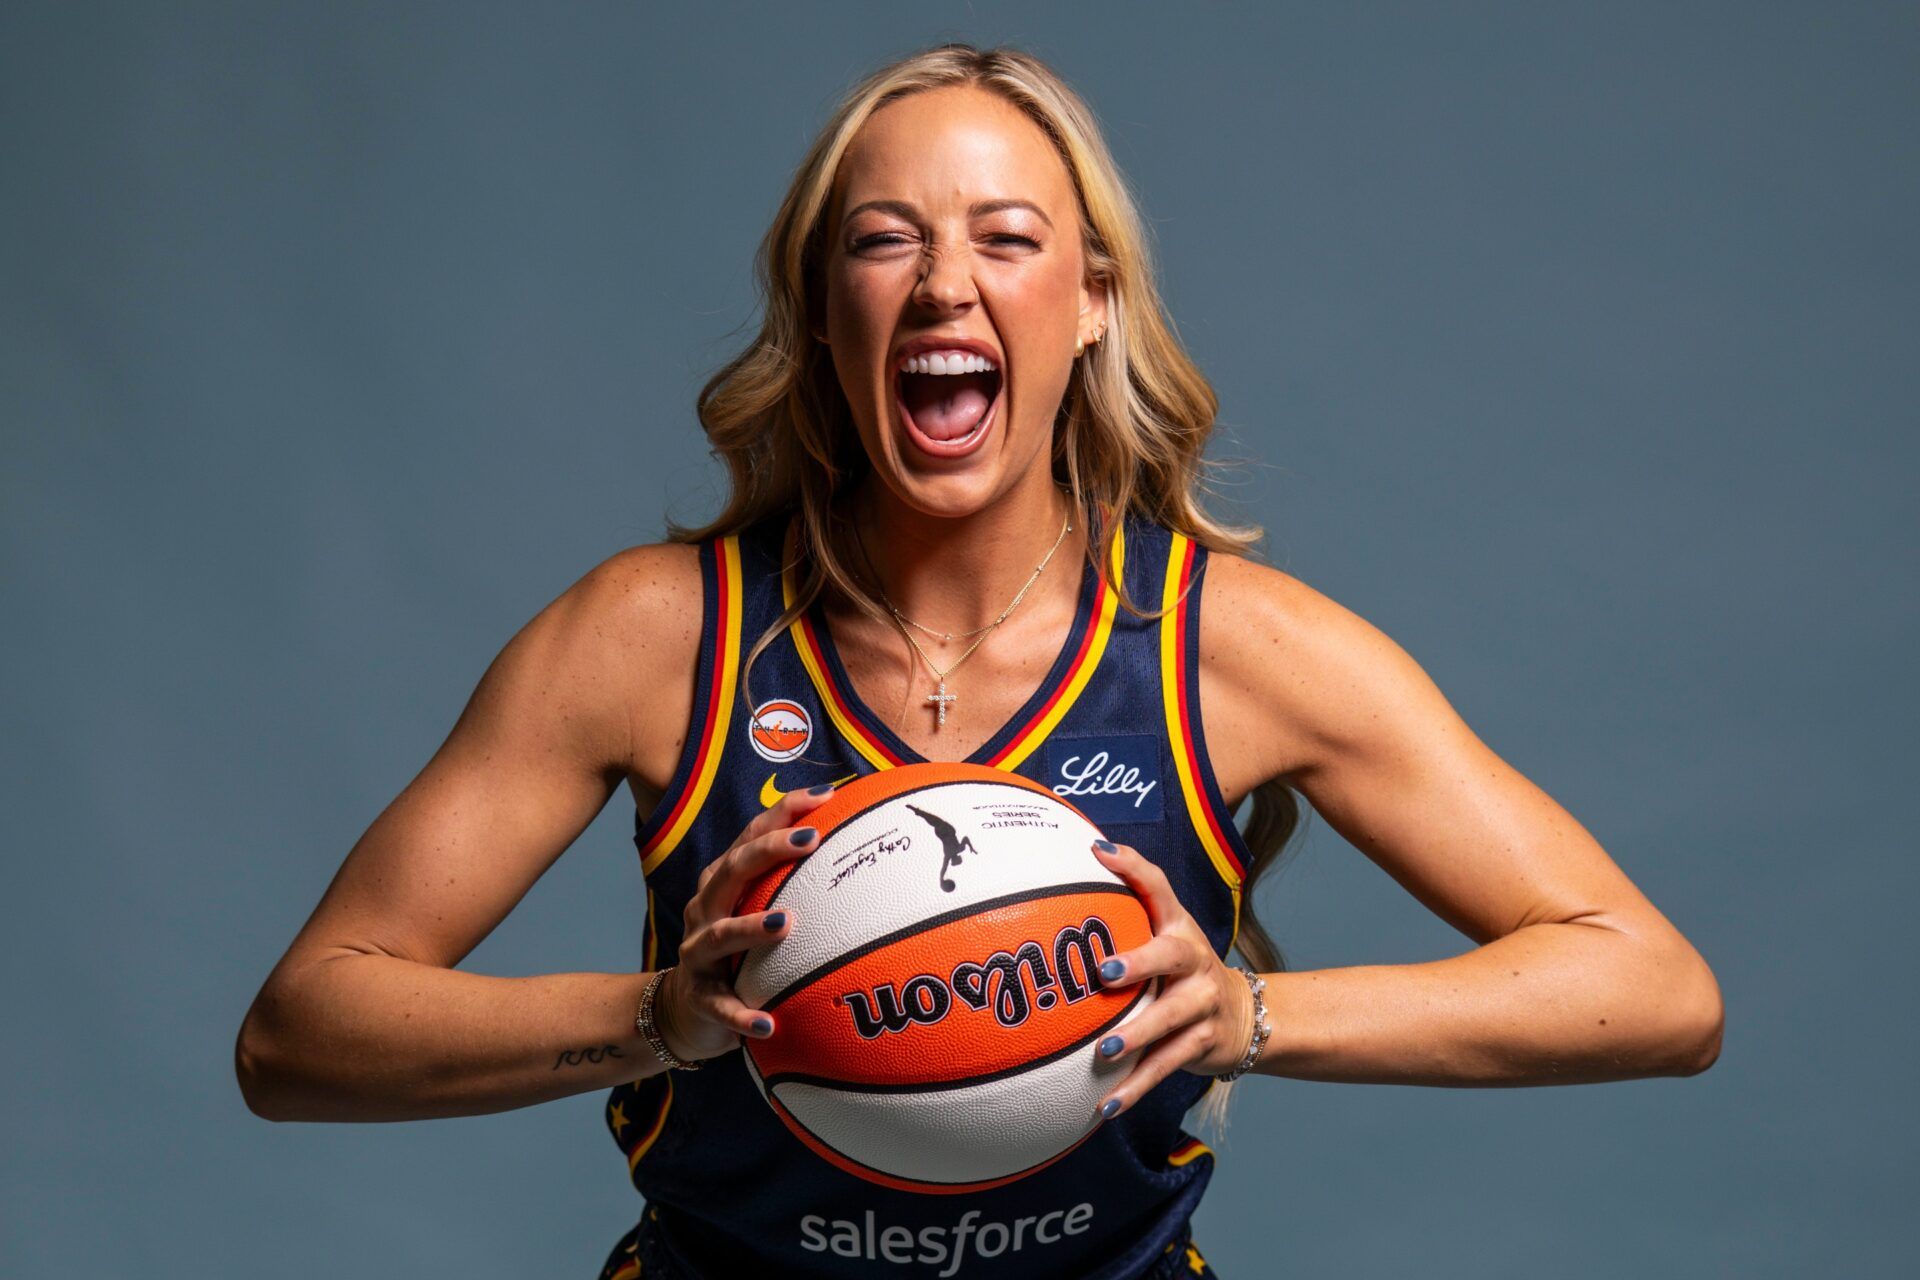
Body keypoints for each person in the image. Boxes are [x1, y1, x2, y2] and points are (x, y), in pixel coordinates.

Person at [234, 43, 1723, 1280]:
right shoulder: (658, 636)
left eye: (1007, 238)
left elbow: (1655, 986)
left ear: (1091, 305)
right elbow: (299, 1035)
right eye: (886, 239)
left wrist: (1251, 1015)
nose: (947, 282)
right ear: (822, 311)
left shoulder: (1228, 649)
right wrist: (657, 1020)